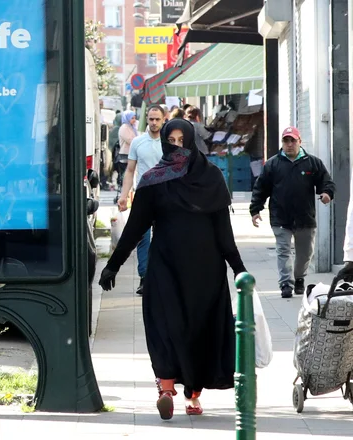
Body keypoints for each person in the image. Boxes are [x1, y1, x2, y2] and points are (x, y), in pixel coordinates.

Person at [99, 119, 244, 420]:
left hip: (204, 271)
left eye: (182, 140)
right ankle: (168, 389)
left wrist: (239, 270)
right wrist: (113, 266)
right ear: (164, 142)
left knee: (198, 331)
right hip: (166, 267)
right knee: (165, 325)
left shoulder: (209, 177)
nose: (177, 146)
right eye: (172, 140)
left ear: (191, 141)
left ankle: (191, 395)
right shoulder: (156, 180)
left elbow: (224, 234)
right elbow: (135, 228)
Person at [250, 126, 335, 298]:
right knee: (283, 251)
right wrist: (255, 209)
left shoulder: (312, 163)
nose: (289, 144)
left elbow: (326, 182)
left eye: (292, 141)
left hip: (305, 217)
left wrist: (326, 194)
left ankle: (299, 278)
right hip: (280, 217)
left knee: (305, 254)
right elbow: (261, 188)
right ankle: (285, 284)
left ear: (299, 142)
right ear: (282, 143)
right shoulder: (273, 164)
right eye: (286, 141)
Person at [116, 105, 165, 294]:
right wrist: (123, 196)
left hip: (165, 196)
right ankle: (145, 278)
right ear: (147, 118)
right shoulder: (137, 142)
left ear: (163, 119)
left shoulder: (168, 142)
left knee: (164, 237)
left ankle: (162, 276)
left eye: (157, 119)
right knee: (143, 238)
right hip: (143, 195)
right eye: (151, 119)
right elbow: (130, 171)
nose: (153, 122)